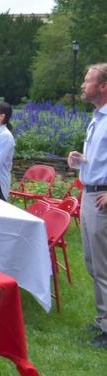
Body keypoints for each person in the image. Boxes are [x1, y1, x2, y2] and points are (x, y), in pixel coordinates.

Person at [68, 63, 107, 349]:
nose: (83, 85)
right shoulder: (97, 118)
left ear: (103, 86)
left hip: (102, 198)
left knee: (103, 266)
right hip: (90, 194)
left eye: (87, 80)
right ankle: (102, 320)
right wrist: (81, 159)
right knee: (93, 263)